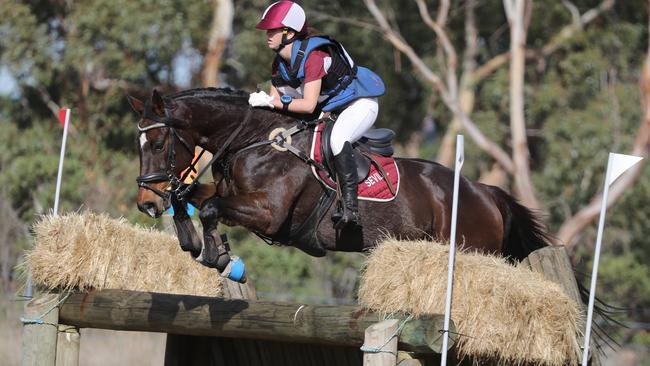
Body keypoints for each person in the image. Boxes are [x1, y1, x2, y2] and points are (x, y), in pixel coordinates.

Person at [248, 1, 385, 229]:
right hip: (331, 110)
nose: (267, 35)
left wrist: (272, 101)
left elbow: (308, 105)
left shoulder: (314, 56)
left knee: (338, 138)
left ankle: (350, 209)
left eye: (272, 29)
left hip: (359, 104)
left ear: (289, 32)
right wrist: (263, 105)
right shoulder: (279, 64)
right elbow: (278, 111)